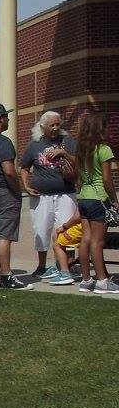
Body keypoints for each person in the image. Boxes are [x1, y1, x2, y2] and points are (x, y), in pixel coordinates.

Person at [21, 110, 77, 279]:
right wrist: (26, 186)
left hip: (66, 193)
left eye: (57, 124)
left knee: (67, 230)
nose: (55, 128)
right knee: (41, 229)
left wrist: (63, 153)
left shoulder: (68, 141)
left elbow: (79, 162)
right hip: (41, 196)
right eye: (51, 125)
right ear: (42, 126)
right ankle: (42, 266)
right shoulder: (34, 145)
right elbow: (24, 168)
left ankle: (67, 266)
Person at [0, 103, 30, 289]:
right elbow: (9, 171)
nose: (8, 120)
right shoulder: (3, 142)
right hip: (2, 192)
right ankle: (6, 276)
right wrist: (18, 191)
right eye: (6, 117)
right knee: (4, 236)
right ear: (0, 119)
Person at [71, 111, 118, 294]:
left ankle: (86, 280)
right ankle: (102, 281)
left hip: (83, 198)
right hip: (98, 198)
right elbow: (107, 179)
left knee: (86, 239)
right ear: (101, 129)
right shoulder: (104, 149)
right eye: (107, 127)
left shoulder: (82, 150)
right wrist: (114, 199)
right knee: (98, 242)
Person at [48, 209, 82, 286]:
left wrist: (64, 226)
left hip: (83, 227)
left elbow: (78, 216)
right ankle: (65, 269)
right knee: (56, 236)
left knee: (57, 244)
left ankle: (65, 274)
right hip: (96, 227)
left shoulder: (85, 197)